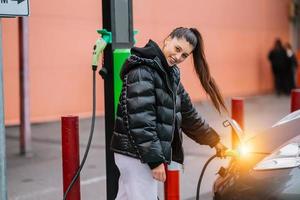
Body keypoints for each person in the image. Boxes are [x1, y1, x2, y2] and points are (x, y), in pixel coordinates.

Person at [110, 27, 228, 200]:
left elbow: (188, 114)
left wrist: (215, 141)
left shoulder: (169, 73)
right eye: (177, 49)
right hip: (136, 154)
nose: (178, 57)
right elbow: (140, 121)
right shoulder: (143, 70)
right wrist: (155, 161)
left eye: (184, 55)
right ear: (167, 39)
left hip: (140, 153)